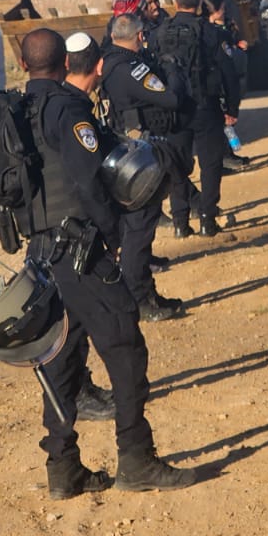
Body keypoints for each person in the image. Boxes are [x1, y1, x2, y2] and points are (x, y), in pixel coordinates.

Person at [17, 27, 197, 496]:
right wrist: (112, 235)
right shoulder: (66, 108)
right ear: (64, 65)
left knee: (60, 357)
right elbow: (89, 179)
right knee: (124, 345)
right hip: (79, 249)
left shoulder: (18, 109)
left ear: (24, 66)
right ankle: (137, 459)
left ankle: (63, 467)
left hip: (41, 253)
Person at [99, 18, 189, 320]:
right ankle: (140, 299)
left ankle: (141, 294)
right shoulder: (131, 67)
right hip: (141, 156)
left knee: (135, 227)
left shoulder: (111, 62)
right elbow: (171, 98)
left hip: (127, 152)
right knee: (140, 229)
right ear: (138, 35)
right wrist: (173, 70)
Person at [153, 0, 237, 237]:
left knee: (177, 164)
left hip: (173, 108)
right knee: (210, 164)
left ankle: (180, 222)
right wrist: (232, 107)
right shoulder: (211, 32)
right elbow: (229, 73)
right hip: (205, 106)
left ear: (175, 3)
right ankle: (207, 219)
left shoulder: (160, 32)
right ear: (199, 4)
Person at [201, 0, 250, 172]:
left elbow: (231, 43)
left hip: (233, 74)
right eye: (221, 8)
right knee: (221, 122)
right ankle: (224, 158)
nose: (224, 10)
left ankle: (228, 154)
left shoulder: (227, 25)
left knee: (228, 122)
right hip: (219, 80)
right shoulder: (209, 31)